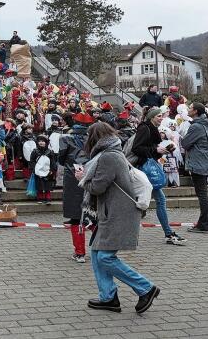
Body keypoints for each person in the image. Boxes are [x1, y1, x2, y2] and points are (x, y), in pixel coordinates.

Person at [76, 122, 161, 314]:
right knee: (98, 255)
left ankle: (146, 288)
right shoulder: (112, 153)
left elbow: (97, 187)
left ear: (94, 138)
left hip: (118, 213)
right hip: (113, 212)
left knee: (105, 257)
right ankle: (108, 297)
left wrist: (81, 179)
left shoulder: (108, 157)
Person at [131, 107, 186, 245]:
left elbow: (151, 150)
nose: (161, 118)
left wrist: (164, 151)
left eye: (162, 116)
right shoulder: (145, 128)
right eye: (159, 116)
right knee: (156, 200)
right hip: (143, 169)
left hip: (148, 168)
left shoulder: (153, 128)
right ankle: (167, 233)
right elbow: (136, 148)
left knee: (157, 200)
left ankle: (168, 233)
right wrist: (155, 149)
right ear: (151, 117)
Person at [58, 113, 93, 263]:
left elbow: (61, 158)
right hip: (90, 175)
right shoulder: (94, 140)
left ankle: (79, 253)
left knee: (75, 216)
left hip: (72, 177)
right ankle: (102, 250)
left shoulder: (65, 138)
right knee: (93, 215)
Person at [178, 102, 208, 233]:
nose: (188, 109)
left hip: (199, 163)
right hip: (202, 162)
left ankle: (204, 225)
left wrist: (181, 137)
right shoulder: (202, 124)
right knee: (204, 194)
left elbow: (186, 143)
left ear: (196, 112)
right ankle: (206, 223)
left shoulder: (196, 126)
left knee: (202, 194)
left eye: (191, 108)